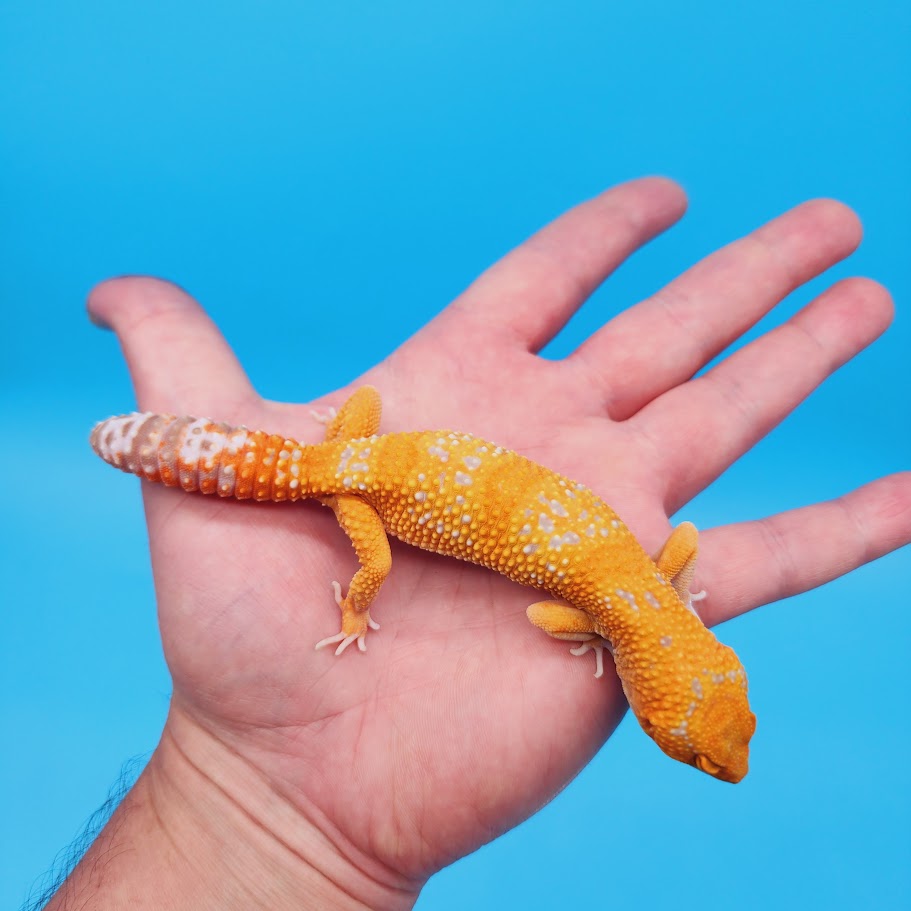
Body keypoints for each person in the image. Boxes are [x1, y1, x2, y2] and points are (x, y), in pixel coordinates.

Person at [48, 178, 909, 909]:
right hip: (354, 486)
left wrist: (645, 614)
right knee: (373, 565)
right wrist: (619, 624)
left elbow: (676, 546)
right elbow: (551, 611)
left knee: (337, 465)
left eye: (704, 745)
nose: (720, 758)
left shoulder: (646, 589)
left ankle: (211, 454)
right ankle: (354, 607)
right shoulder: (616, 609)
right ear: (662, 698)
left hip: (362, 445)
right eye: (696, 746)